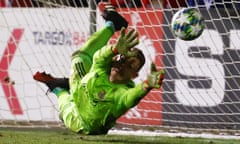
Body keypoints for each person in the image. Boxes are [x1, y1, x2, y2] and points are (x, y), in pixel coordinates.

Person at [33, 2, 164, 135]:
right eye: (122, 59)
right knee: (79, 57)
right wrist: (115, 49)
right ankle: (112, 24)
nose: (122, 65)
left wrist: (146, 85)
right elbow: (99, 57)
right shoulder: (102, 68)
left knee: (63, 99)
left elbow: (130, 98)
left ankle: (57, 87)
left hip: (81, 121)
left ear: (134, 76)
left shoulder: (120, 93)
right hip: (80, 86)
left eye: (130, 66)